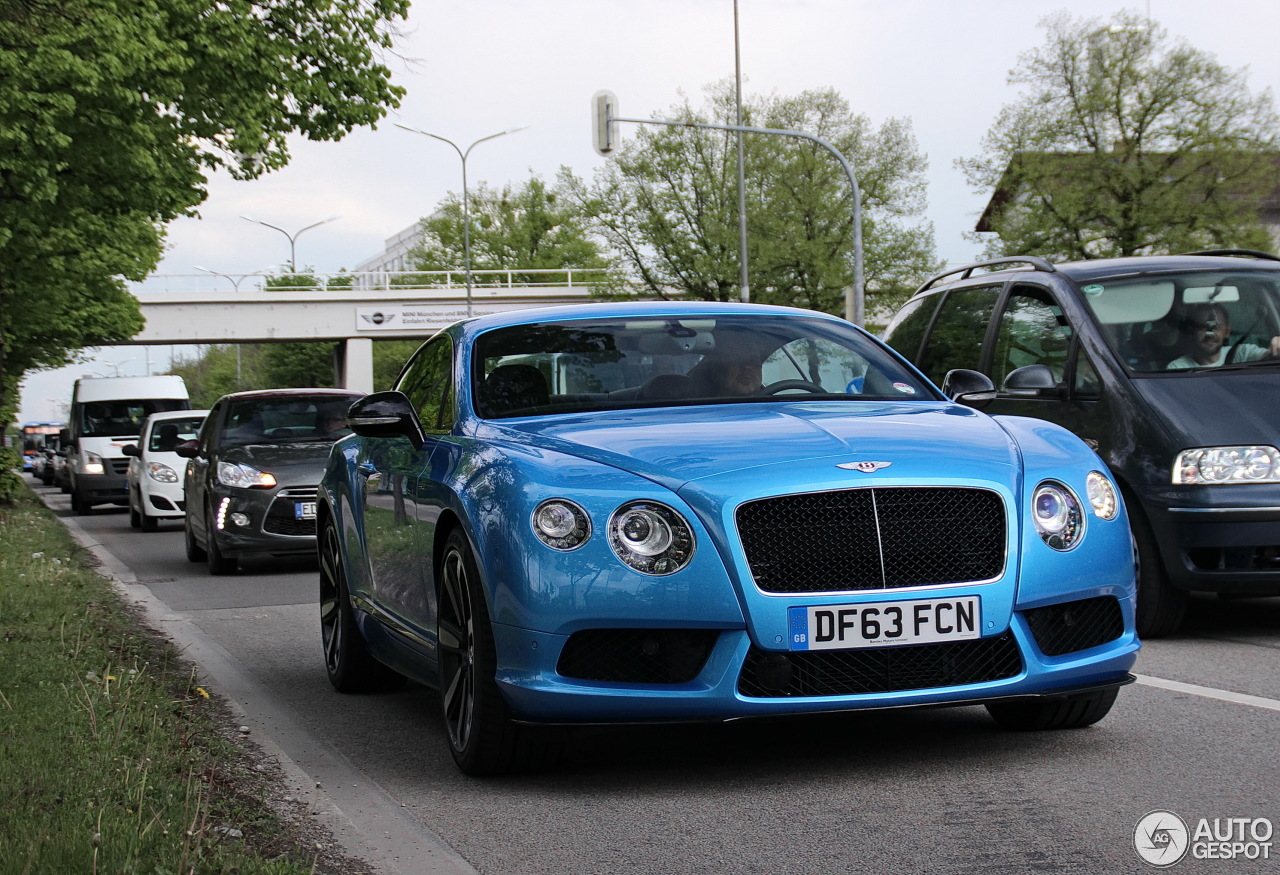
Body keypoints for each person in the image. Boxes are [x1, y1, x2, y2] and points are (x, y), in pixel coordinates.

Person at [1165, 303, 1280, 369]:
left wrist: (1275, 346)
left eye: (1217, 326)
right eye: (1202, 326)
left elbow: (1268, 355)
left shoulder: (1241, 354)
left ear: (1227, 331)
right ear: (1192, 332)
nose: (1210, 333)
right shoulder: (1177, 368)